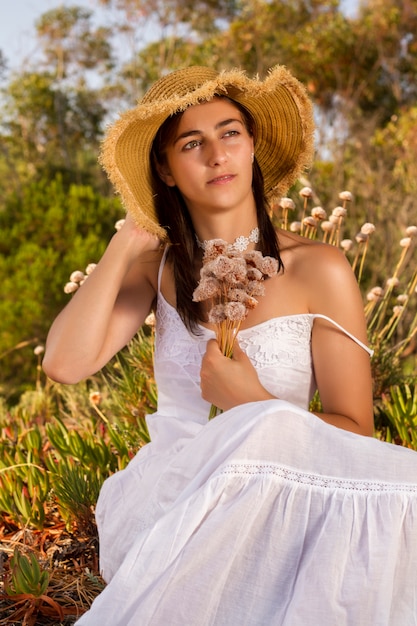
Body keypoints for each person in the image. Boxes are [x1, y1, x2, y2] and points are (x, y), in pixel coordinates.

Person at [43, 66, 417, 625]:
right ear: (165, 171)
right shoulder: (158, 268)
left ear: (252, 148)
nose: (217, 155)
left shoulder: (321, 268)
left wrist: (252, 405)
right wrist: (125, 243)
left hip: (280, 496)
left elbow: (356, 429)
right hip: (174, 497)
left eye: (231, 133)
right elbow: (64, 365)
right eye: (191, 144)